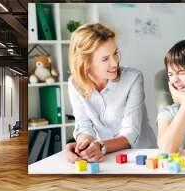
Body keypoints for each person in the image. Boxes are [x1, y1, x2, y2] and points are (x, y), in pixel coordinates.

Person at [65, 23, 156, 163]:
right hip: (106, 158)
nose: (115, 63)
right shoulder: (75, 84)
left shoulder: (133, 78)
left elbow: (131, 133)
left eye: (115, 53)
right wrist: (83, 146)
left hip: (142, 157)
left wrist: (100, 146)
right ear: (86, 62)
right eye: (105, 59)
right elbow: (84, 126)